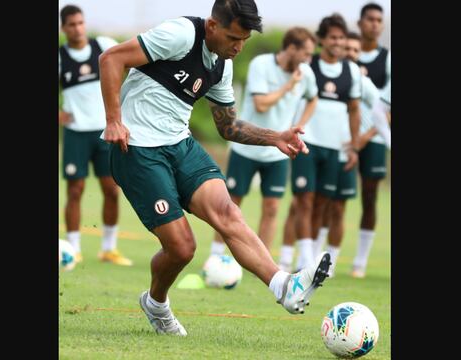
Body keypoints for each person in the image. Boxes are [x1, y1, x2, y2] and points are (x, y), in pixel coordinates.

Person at [98, 0, 331, 336]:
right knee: (182, 248)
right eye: (234, 38)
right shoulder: (180, 34)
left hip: (179, 144)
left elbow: (228, 127)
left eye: (244, 41)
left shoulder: (222, 65)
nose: (238, 47)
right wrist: (114, 121)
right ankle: (156, 303)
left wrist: (275, 136)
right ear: (212, 26)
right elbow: (111, 58)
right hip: (136, 148)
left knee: (228, 213)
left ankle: (284, 286)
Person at [206, 27, 318, 260]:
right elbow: (261, 105)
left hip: (278, 153)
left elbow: (312, 99)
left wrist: (299, 125)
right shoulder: (261, 65)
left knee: (272, 208)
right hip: (246, 148)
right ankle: (216, 258)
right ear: (291, 48)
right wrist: (289, 86)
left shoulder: (306, 73)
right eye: (306, 54)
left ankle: (262, 261)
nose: (309, 60)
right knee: (230, 205)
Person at [279, 13, 362, 274]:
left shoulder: (351, 71)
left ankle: (315, 258)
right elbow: (293, 98)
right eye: (333, 37)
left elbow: (355, 110)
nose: (338, 42)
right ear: (323, 40)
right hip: (307, 143)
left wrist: (354, 147)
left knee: (324, 204)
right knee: (304, 200)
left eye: (341, 37)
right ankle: (304, 260)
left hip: (335, 147)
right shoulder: (308, 66)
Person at [308, 31, 388, 276]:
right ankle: (315, 258)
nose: (352, 54)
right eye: (349, 49)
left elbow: (384, 110)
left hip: (366, 144)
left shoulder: (365, 82)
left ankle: (351, 262)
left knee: (357, 201)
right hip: (339, 146)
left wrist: (362, 138)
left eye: (356, 50)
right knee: (324, 202)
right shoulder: (335, 76)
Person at [58, 5, 132, 266]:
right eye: (72, 24)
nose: (77, 28)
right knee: (75, 190)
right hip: (75, 134)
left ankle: (109, 249)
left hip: (106, 131)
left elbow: (130, 64)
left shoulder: (104, 45)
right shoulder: (60, 57)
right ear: (63, 28)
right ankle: (73, 248)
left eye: (80, 23)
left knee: (112, 190)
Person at [353, 2, 391, 278]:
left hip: (374, 139)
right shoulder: (347, 56)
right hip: (344, 138)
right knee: (329, 199)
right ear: (360, 23)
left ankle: (360, 263)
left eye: (380, 20)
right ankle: (321, 256)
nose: (375, 24)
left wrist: (367, 135)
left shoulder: (387, 59)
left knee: (369, 196)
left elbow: (388, 107)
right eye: (370, 19)